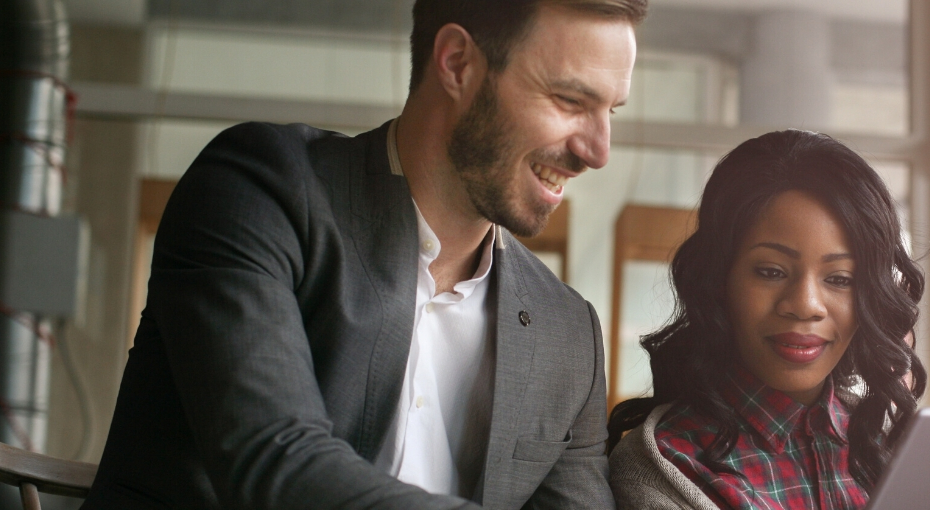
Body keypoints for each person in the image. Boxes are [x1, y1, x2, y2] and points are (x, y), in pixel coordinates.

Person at [83, 1, 645, 508]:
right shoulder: (260, 190)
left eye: (611, 112)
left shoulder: (568, 331)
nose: (597, 151)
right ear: (456, 64)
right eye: (571, 101)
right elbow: (275, 463)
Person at [606, 130, 927, 509]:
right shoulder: (663, 468)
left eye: (840, 279)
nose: (806, 305)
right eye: (771, 271)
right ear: (718, 280)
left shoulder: (889, 444)